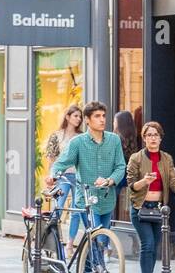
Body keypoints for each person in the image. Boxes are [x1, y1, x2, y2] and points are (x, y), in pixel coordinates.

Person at [126, 121, 175, 273]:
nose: (152, 138)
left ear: (161, 138)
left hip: (159, 210)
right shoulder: (136, 158)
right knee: (147, 244)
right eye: (149, 135)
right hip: (140, 208)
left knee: (154, 246)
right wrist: (144, 182)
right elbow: (131, 185)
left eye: (155, 135)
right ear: (144, 138)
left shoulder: (166, 158)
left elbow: (174, 180)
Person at [47, 101, 126, 250]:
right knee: (95, 238)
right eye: (97, 116)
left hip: (107, 199)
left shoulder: (114, 140)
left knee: (101, 242)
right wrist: (53, 175)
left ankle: (87, 271)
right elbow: (60, 163)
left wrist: (110, 180)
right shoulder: (78, 142)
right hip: (86, 199)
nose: (102, 119)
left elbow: (121, 166)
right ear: (87, 120)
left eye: (103, 116)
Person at [44, 105, 85, 245]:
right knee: (58, 208)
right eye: (76, 116)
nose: (79, 119)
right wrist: (52, 177)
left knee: (76, 211)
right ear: (67, 117)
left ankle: (70, 244)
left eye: (80, 117)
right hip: (63, 177)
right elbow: (51, 158)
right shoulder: (56, 135)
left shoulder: (81, 137)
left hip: (78, 177)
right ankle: (52, 240)